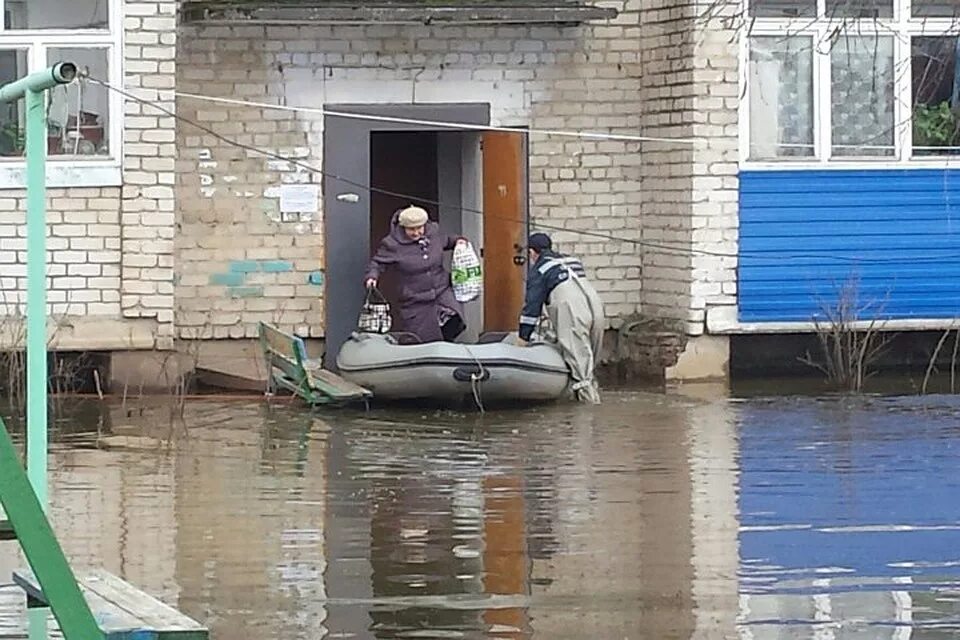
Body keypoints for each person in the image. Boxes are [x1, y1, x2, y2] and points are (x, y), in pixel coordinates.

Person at [516, 233, 604, 404]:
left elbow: (532, 308)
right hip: (595, 304)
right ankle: (591, 393)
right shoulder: (572, 260)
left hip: (572, 307)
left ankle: (587, 409)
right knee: (589, 360)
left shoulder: (540, 269)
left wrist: (523, 338)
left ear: (532, 252)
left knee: (580, 365)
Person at [364, 205, 469, 343]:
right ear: (403, 227)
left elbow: (448, 240)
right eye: (411, 229)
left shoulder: (434, 234)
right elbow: (377, 263)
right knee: (423, 339)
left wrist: (458, 241)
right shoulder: (392, 245)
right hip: (415, 300)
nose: (416, 232)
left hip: (441, 292)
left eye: (419, 228)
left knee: (454, 322)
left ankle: (447, 345)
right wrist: (372, 276)